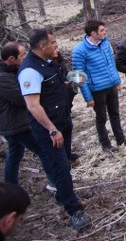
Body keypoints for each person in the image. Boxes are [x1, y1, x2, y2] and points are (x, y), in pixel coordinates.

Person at [17, 28, 91, 230]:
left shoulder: (50, 63)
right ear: (43, 46)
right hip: (49, 129)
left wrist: (71, 83)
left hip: (63, 121)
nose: (56, 46)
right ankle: (74, 210)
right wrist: (51, 129)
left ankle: (65, 194)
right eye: (53, 43)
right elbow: (33, 105)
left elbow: (56, 86)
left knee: (65, 161)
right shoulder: (30, 70)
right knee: (61, 167)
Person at [0, 43, 55, 190]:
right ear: (12, 58)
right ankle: (55, 184)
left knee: (15, 154)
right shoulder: (3, 78)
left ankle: (10, 187)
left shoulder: (11, 72)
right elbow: (23, 98)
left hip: (11, 125)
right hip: (16, 126)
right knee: (43, 151)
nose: (26, 57)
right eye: (23, 55)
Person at [72, 20, 126, 153]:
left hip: (111, 86)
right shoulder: (79, 51)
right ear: (93, 33)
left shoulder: (105, 43)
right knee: (101, 118)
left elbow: (111, 64)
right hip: (97, 90)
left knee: (115, 113)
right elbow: (78, 76)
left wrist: (117, 82)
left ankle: (121, 139)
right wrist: (88, 98)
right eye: (102, 30)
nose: (105, 32)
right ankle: (106, 145)